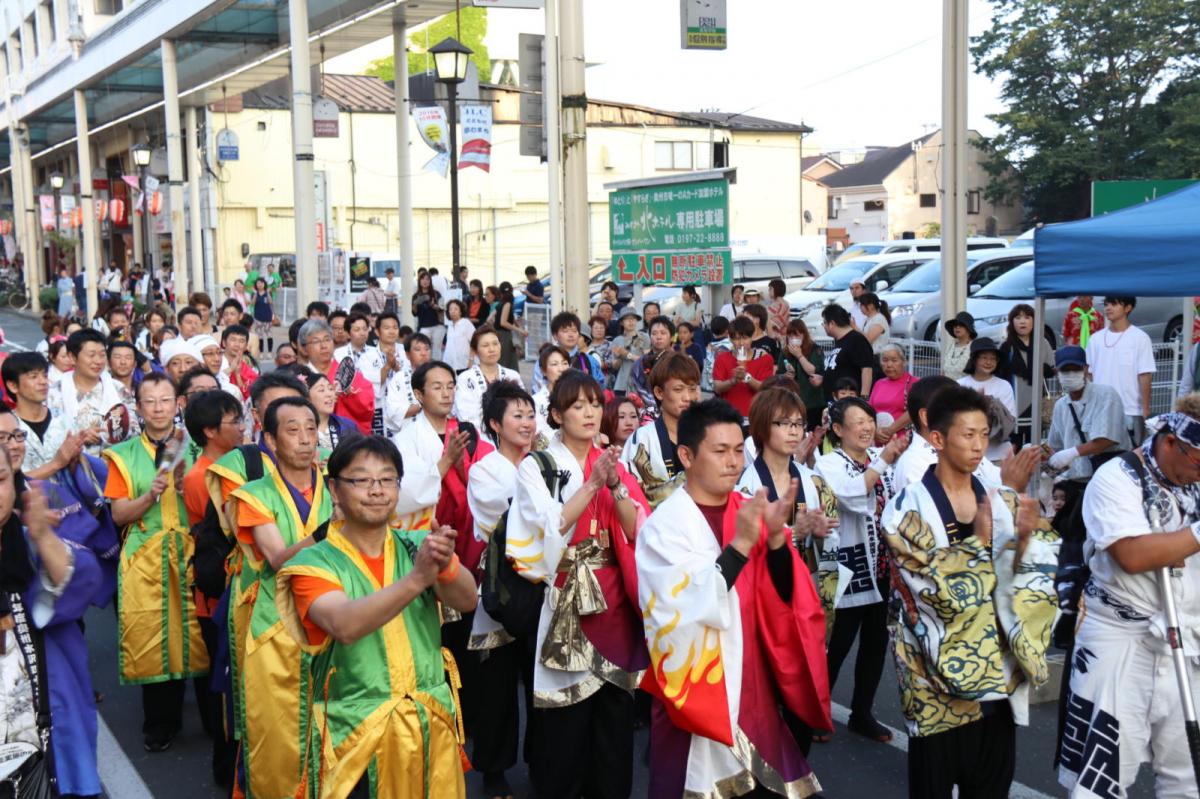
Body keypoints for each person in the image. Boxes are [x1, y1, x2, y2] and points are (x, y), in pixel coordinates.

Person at [637, 397, 830, 797]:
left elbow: (786, 597)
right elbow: (679, 613)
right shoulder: (664, 527)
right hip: (700, 694)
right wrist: (741, 546)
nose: (733, 462)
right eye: (720, 451)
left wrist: (776, 541)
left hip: (755, 688)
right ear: (687, 455)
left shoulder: (750, 510)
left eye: (739, 450)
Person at [878, 386, 1058, 799]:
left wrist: (1027, 542)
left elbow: (1036, 584)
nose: (979, 446)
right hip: (934, 686)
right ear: (938, 439)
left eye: (984, 435)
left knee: (991, 789)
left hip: (997, 676)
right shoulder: (906, 508)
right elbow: (932, 593)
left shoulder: (998, 498)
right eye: (968, 435)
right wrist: (982, 543)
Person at [275, 436, 476, 799]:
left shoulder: (416, 544)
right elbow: (344, 625)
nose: (377, 490)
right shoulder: (312, 562)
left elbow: (467, 600)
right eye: (361, 480)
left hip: (427, 722)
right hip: (355, 735)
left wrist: (446, 564)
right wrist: (417, 579)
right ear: (335, 490)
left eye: (387, 479)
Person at [506, 370, 650, 799]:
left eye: (595, 404)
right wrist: (592, 484)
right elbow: (547, 528)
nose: (590, 413)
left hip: (614, 602)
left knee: (614, 722)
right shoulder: (537, 466)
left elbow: (636, 530)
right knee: (566, 722)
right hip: (565, 599)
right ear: (556, 415)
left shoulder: (615, 464)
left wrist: (614, 483)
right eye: (577, 406)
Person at [1057, 396, 1200, 797]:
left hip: (1187, 640)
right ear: (1170, 441)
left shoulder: (1192, 476)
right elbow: (1133, 555)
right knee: (1103, 778)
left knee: (1188, 777)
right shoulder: (1118, 477)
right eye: (1198, 461)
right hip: (1118, 638)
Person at [230, 396, 331, 799]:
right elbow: (277, 559)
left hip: (334, 621)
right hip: (276, 626)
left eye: (311, 429)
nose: (305, 439)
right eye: (293, 430)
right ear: (270, 440)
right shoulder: (254, 494)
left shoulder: (338, 483)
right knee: (278, 732)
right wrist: (329, 531)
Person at [103, 372, 209, 752]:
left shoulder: (197, 448)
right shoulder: (123, 455)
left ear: (178, 403)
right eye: (150, 401)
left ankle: (213, 720)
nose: (158, 408)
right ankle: (162, 723)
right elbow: (119, 515)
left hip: (194, 551)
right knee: (152, 638)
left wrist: (186, 490)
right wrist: (149, 495)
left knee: (201, 635)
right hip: (146, 555)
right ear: (138, 408)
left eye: (165, 400)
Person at [815, 396, 908, 743]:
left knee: (875, 642)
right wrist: (884, 460)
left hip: (882, 566)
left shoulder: (877, 460)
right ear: (839, 430)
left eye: (869, 420)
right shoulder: (829, 463)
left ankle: (862, 713)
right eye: (858, 422)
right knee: (837, 643)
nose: (867, 427)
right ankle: (815, 712)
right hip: (848, 566)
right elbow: (852, 496)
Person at [466, 380, 539, 799]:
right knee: (497, 688)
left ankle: (541, 762)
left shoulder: (542, 462)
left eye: (530, 415)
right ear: (495, 424)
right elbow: (511, 520)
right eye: (517, 415)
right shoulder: (484, 470)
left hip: (542, 586)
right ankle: (493, 771)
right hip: (503, 586)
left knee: (541, 682)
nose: (527, 423)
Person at [181, 389, 244, 787]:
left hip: (234, 588)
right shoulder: (201, 477)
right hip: (219, 593)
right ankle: (226, 770)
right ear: (209, 431)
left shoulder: (237, 463)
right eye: (233, 421)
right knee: (226, 687)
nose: (242, 427)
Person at [735, 388, 839, 582]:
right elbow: (741, 550)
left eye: (798, 423)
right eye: (784, 423)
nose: (794, 431)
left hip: (808, 587)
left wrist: (820, 536)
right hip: (765, 589)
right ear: (762, 426)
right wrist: (793, 533)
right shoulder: (745, 488)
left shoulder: (815, 482)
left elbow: (831, 549)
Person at [393, 360, 491, 532]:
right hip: (429, 530)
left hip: (469, 528)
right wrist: (448, 459)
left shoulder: (467, 432)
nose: (446, 394)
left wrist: (461, 467)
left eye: (450, 387)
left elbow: (488, 481)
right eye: (437, 388)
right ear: (419, 394)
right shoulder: (405, 439)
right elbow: (408, 492)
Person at [892, 375, 1021, 494]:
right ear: (926, 416)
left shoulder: (959, 449)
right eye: (955, 409)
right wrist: (1010, 487)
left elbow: (997, 478)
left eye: (984, 433)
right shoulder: (913, 465)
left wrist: (1012, 477)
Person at [622, 352, 701, 509]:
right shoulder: (642, 439)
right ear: (659, 392)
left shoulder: (708, 436)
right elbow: (633, 497)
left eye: (692, 389)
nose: (687, 397)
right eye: (678, 389)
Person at [1045, 345, 1131, 486]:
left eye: (1076, 369)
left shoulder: (1105, 395)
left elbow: (1107, 439)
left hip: (1109, 479)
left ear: (1085, 369)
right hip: (1074, 482)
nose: (1071, 374)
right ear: (1057, 372)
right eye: (1065, 370)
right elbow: (1055, 447)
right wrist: (1046, 470)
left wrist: (1072, 453)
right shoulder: (1061, 405)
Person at [1086, 296, 1155, 446]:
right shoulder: (1095, 339)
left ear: (1128, 308)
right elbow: (1089, 375)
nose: (1108, 308)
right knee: (1099, 455)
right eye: (1106, 304)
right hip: (1099, 411)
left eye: (1114, 304)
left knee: (1130, 455)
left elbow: (1145, 375)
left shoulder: (1140, 338)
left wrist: (1145, 409)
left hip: (1130, 410)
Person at [48, 329, 125, 453]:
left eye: (102, 355)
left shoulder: (118, 389)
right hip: (71, 461)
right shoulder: (54, 393)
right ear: (72, 357)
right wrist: (79, 438)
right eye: (91, 355)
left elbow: (134, 431)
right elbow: (48, 435)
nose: (98, 361)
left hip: (114, 460)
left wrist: (108, 435)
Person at [2, 352, 75, 477]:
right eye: (34, 376)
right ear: (13, 385)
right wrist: (56, 464)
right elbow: (8, 479)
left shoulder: (62, 418)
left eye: (45, 375)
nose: (43, 382)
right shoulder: (7, 427)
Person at [298, 318, 375, 435]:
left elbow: (367, 410)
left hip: (347, 439)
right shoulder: (299, 377)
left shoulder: (348, 374)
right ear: (304, 349)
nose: (323, 346)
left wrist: (349, 394)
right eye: (316, 341)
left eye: (327, 339)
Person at [999, 303, 1055, 446]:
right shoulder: (1006, 346)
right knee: (1014, 445)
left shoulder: (1042, 343)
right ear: (1012, 322)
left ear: (1034, 321)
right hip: (1013, 402)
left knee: (1034, 444)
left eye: (1027, 317)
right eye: (1018, 318)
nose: (1022, 321)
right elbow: (1000, 375)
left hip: (1037, 400)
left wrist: (1040, 369)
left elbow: (1051, 369)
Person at [958, 337, 1017, 462]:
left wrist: (983, 405)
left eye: (993, 358)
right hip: (967, 456)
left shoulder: (1004, 385)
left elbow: (1009, 420)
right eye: (984, 357)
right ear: (974, 359)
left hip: (998, 456)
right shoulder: (960, 385)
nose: (989, 362)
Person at [453, 325, 524, 429]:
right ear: (475, 351)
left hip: (512, 433)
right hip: (480, 434)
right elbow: (466, 415)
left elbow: (523, 407)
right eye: (485, 345)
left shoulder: (513, 375)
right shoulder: (465, 378)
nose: (492, 349)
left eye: (495, 343)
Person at [712, 316, 776, 422]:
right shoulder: (722, 358)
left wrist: (746, 377)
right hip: (728, 417)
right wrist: (733, 381)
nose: (741, 343)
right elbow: (717, 387)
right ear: (730, 339)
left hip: (755, 417)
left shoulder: (765, 358)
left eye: (745, 338)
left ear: (752, 337)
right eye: (737, 339)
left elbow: (766, 389)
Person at [334, 312, 387, 435]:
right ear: (348, 333)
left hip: (373, 405)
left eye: (365, 329)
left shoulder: (377, 353)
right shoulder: (338, 354)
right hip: (348, 406)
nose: (362, 333)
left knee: (375, 441)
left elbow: (382, 381)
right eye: (357, 329)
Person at [532, 312, 603, 392]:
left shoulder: (589, 360)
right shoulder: (545, 359)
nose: (571, 335)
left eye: (574, 331)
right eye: (565, 331)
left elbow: (599, 387)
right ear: (555, 335)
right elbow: (537, 388)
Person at [778, 318, 828, 429]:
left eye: (797, 335)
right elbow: (778, 375)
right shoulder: (785, 352)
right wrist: (785, 376)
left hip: (813, 402)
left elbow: (812, 370)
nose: (793, 339)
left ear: (804, 335)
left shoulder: (814, 349)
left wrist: (799, 355)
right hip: (792, 402)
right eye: (790, 336)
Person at [819, 304, 874, 401]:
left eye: (824, 323)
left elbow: (867, 369)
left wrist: (864, 398)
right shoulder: (839, 340)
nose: (824, 326)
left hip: (849, 402)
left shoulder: (856, 339)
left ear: (832, 323)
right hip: (835, 401)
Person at [383, 333, 433, 434]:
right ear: (407, 354)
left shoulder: (440, 374)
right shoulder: (399, 378)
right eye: (418, 349)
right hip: (408, 433)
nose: (423, 353)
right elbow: (393, 412)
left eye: (427, 349)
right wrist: (423, 404)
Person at [304, 371, 361, 455]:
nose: (329, 394)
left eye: (330, 389)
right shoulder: (300, 429)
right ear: (307, 397)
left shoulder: (347, 426)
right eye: (321, 390)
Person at [868, 342, 916, 443]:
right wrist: (874, 430)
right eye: (885, 360)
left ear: (904, 362)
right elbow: (869, 411)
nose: (889, 365)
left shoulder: (913, 383)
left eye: (894, 360)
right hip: (877, 439)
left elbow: (913, 411)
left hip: (902, 441)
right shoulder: (879, 383)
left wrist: (889, 430)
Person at [532, 344, 570, 450]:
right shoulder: (536, 401)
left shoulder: (578, 397)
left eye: (565, 363)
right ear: (543, 371)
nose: (561, 369)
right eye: (554, 364)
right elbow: (537, 437)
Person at [608, 307, 648, 396]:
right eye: (627, 319)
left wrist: (627, 354)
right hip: (621, 384)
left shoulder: (645, 337)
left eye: (633, 318)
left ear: (636, 320)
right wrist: (619, 357)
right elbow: (615, 366)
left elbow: (646, 361)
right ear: (621, 322)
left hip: (640, 383)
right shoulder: (617, 340)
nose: (631, 321)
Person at [941, 311, 977, 381]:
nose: (957, 327)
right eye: (955, 325)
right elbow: (943, 371)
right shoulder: (951, 346)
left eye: (961, 325)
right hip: (947, 385)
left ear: (968, 328)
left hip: (965, 387)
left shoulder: (974, 347)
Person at [443, 299, 475, 372]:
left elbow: (474, 342)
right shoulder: (450, 326)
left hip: (465, 364)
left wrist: (471, 360)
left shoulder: (466, 323)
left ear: (460, 311)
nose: (453, 311)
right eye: (450, 309)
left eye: (456, 309)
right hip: (451, 365)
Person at [250, 277, 275, 354]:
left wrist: (267, 293)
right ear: (256, 285)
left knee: (269, 334)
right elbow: (252, 303)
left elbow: (271, 302)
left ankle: (269, 352)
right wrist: (255, 294)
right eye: (258, 283)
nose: (260, 285)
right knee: (259, 335)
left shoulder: (268, 293)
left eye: (261, 283)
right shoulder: (254, 293)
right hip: (258, 317)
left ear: (264, 284)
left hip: (267, 316)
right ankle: (261, 352)